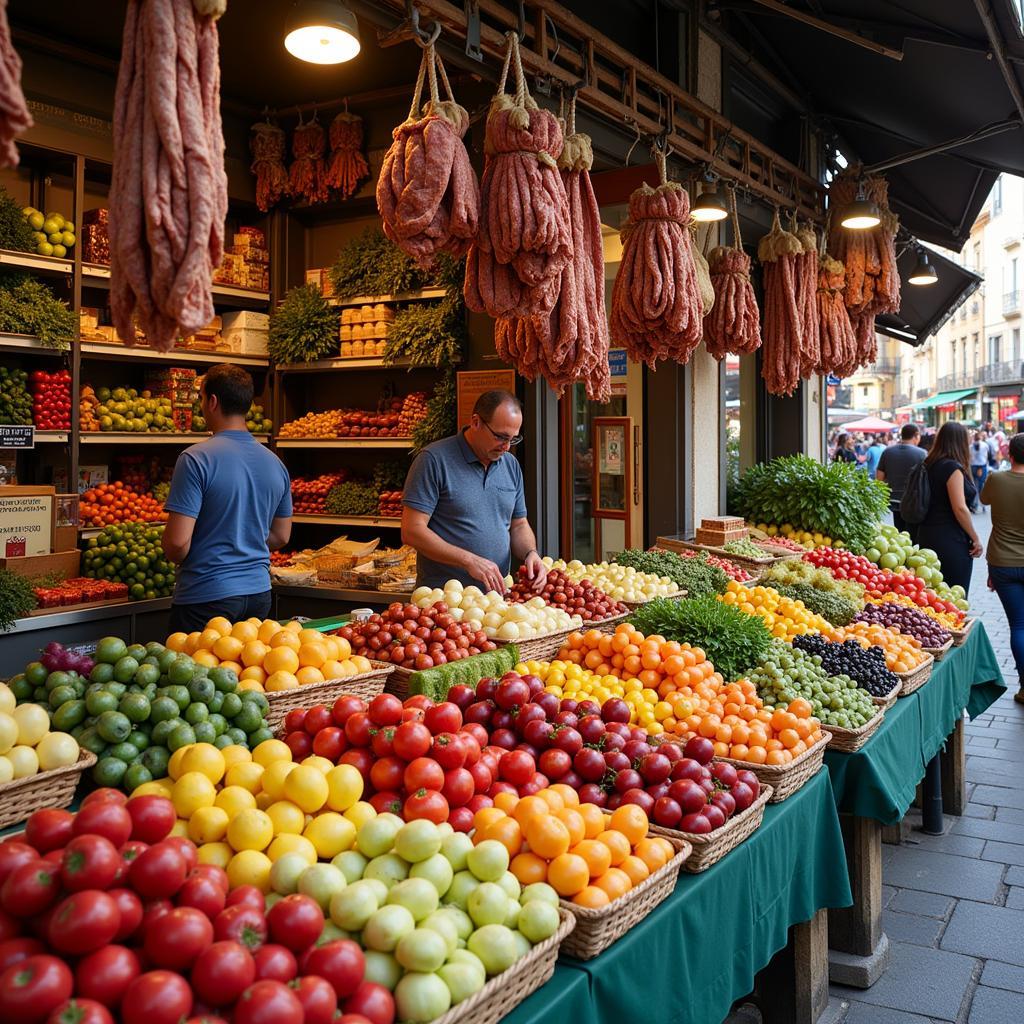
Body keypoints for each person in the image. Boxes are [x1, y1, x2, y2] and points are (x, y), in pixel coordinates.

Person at [162, 364, 292, 633]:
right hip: (258, 595)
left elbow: (177, 543)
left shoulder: (195, 459)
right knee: (243, 673)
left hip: (205, 596)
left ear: (212, 401)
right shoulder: (274, 462)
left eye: (200, 398)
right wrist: (242, 536)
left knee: (195, 674)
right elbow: (281, 537)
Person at [401, 389, 548, 594]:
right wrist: (468, 560)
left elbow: (519, 525)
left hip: (497, 598)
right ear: (476, 422)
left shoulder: (510, 465)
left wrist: (531, 554)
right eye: (500, 436)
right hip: (443, 601)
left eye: (513, 439)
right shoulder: (433, 460)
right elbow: (412, 531)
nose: (506, 447)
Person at [916, 421, 982, 596]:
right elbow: (959, 508)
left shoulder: (929, 463)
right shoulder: (952, 468)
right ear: (959, 441)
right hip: (949, 540)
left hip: (926, 535)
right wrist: (975, 538)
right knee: (954, 596)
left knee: (932, 597)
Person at [981, 432, 1024, 704]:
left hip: (1002, 563)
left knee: (1019, 626)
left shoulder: (996, 479)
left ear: (1009, 454)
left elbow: (984, 500)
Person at [876, 423, 926, 537]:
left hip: (893, 500)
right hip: (914, 502)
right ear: (916, 435)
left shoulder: (888, 452)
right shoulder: (922, 454)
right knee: (913, 535)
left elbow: (879, 478)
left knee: (899, 533)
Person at [970, 431, 990, 511]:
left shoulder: (970, 446)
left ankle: (974, 504)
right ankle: (983, 505)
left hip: (973, 466)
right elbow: (987, 455)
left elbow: (970, 457)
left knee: (974, 485)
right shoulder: (985, 445)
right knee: (981, 486)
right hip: (982, 466)